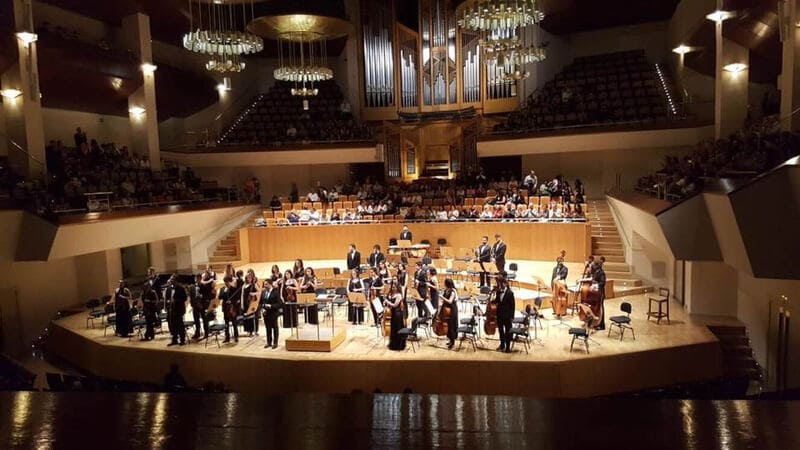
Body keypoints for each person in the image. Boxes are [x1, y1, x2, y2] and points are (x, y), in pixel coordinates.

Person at [494, 274, 515, 353]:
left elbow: (512, 306)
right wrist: (491, 300)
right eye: (499, 283)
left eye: (502, 283)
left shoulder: (510, 293)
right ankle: (502, 344)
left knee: (508, 331)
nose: (500, 285)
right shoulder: (499, 292)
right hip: (499, 315)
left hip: (507, 316)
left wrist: (512, 316)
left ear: (505, 283)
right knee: (501, 331)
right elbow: (496, 301)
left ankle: (508, 347)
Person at [165, 275, 187, 346]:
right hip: (171, 310)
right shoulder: (169, 289)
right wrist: (168, 304)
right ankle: (174, 340)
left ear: (176, 281)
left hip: (179, 309)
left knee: (180, 325)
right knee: (173, 325)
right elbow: (167, 299)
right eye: (170, 279)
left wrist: (176, 301)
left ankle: (182, 339)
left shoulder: (181, 288)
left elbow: (184, 298)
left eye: (172, 279)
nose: (171, 281)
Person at [260, 279, 282, 349]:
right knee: (268, 328)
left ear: (270, 284)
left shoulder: (275, 292)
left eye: (266, 284)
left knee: (275, 328)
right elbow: (261, 302)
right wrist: (262, 308)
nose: (264, 286)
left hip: (273, 313)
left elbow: (279, 304)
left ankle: (275, 343)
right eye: (264, 284)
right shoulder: (263, 292)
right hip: (266, 313)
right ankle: (269, 342)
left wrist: (271, 306)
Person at [385, 282, 406, 351]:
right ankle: (393, 344)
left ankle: (398, 345)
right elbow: (389, 304)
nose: (393, 288)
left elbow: (395, 305)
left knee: (397, 329)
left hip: (397, 314)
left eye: (394, 287)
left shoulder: (399, 295)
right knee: (393, 329)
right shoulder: (391, 294)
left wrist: (387, 302)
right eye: (392, 287)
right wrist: (385, 302)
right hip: (393, 314)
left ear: (397, 288)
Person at [440, 278, 459, 349]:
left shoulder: (453, 291)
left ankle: (453, 342)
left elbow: (450, 301)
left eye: (445, 283)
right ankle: (450, 340)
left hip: (452, 309)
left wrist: (442, 297)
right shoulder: (446, 290)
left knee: (451, 325)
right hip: (446, 309)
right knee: (448, 324)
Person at [221, 275, 240, 343]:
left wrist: (231, 301)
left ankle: (236, 337)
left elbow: (237, 299)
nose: (226, 283)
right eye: (225, 282)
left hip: (232, 309)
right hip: (225, 308)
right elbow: (220, 297)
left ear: (230, 282)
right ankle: (227, 337)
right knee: (226, 324)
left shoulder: (233, 289)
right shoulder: (223, 289)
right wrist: (224, 292)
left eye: (227, 282)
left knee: (234, 323)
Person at [190, 274, 210, 340]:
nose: (196, 280)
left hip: (202, 306)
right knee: (196, 320)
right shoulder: (192, 286)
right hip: (195, 306)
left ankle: (206, 333)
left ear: (200, 279)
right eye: (195, 278)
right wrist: (192, 304)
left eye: (197, 278)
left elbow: (207, 296)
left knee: (204, 320)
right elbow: (191, 296)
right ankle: (197, 333)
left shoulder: (204, 286)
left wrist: (203, 304)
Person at [242, 270, 259, 336]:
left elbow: (259, 292)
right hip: (246, 303)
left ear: (252, 278)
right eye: (247, 278)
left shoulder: (254, 284)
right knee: (247, 317)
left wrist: (253, 293)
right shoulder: (244, 285)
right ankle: (248, 331)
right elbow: (242, 295)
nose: (249, 279)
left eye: (250, 278)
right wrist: (242, 304)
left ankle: (255, 330)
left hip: (252, 303)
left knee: (254, 317)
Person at [592, 261, 607, 330]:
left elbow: (603, 282)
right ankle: (596, 322)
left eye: (594, 265)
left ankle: (601, 325)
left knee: (600, 309)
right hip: (596, 293)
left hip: (600, 293)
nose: (593, 266)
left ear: (597, 266)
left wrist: (596, 284)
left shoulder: (602, 273)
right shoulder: (596, 272)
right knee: (596, 309)